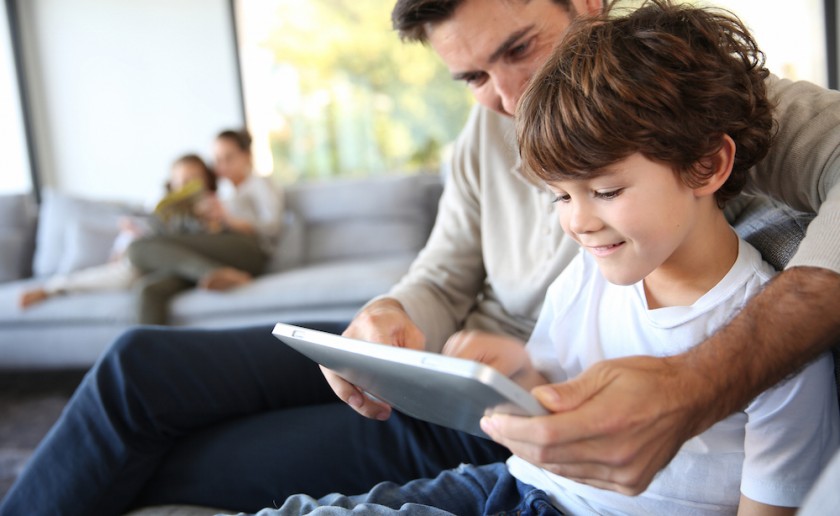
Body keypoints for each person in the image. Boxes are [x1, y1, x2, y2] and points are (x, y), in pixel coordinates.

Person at [1, 0, 838, 514]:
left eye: (519, 49)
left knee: (168, 463)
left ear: (588, 3)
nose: (506, 98)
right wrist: (393, 316)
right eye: (471, 76)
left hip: (502, 420)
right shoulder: (488, 131)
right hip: (452, 362)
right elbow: (442, 270)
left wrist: (704, 379)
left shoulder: (697, 104)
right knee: (139, 367)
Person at [16, 153, 216, 310]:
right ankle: (55, 287)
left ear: (206, 181)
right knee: (127, 269)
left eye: (194, 179)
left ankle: (56, 287)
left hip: (183, 264)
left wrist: (212, 218)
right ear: (172, 183)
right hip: (150, 260)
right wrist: (127, 241)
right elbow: (140, 234)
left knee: (134, 274)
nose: (187, 185)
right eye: (182, 180)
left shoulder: (215, 207)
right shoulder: (159, 207)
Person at [127, 129, 284, 324]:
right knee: (149, 290)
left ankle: (209, 272)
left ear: (246, 155)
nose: (222, 166)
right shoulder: (225, 191)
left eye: (228, 158)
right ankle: (212, 273)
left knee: (139, 247)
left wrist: (226, 219)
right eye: (217, 160)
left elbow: (271, 227)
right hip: (218, 256)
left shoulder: (260, 183)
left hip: (248, 249)